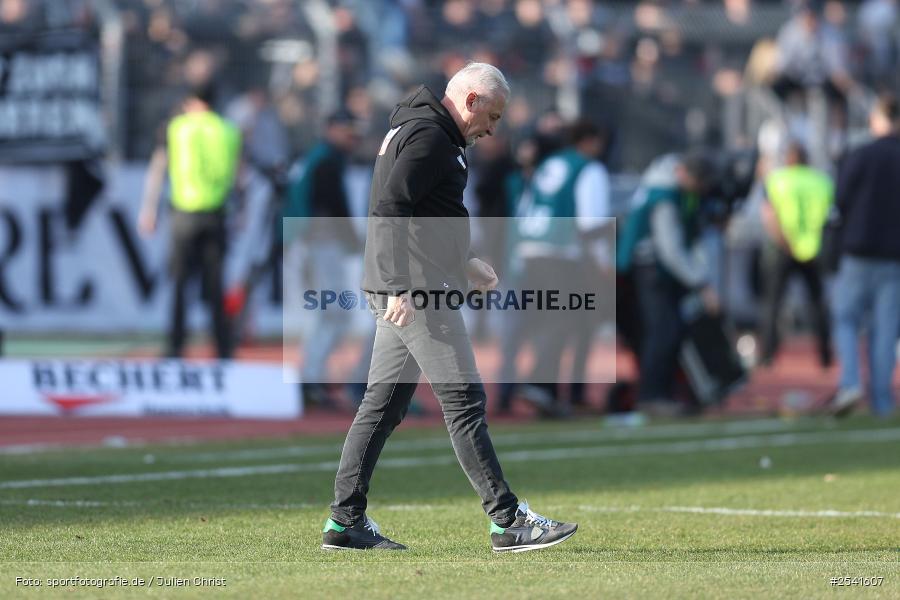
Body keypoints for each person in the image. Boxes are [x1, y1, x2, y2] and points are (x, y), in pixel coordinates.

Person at [322, 63, 577, 552]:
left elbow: (424, 213)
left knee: (382, 406)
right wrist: (399, 285)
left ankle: (344, 522)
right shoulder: (430, 137)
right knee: (463, 402)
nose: (493, 129)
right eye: (492, 116)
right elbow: (391, 208)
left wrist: (464, 262)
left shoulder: (423, 128)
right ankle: (507, 521)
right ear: (472, 100)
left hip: (414, 285)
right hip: (417, 293)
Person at [500, 119, 612, 415]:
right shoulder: (588, 168)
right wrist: (604, 263)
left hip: (529, 250)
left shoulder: (550, 163)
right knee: (565, 320)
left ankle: (546, 392)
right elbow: (592, 224)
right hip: (561, 253)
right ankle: (541, 385)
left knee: (549, 321)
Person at [139, 85, 241, 359]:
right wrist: (240, 212)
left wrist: (149, 209)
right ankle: (223, 349)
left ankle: (175, 346)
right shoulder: (228, 130)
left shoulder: (177, 128)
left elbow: (159, 168)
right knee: (216, 286)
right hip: (216, 214)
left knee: (181, 285)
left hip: (183, 214)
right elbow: (239, 176)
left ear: (192, 102)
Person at [615, 152, 719, 410]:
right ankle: (652, 395)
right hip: (649, 268)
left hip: (646, 267)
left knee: (665, 329)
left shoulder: (662, 184)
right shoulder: (666, 196)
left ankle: (661, 392)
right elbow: (670, 248)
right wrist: (701, 283)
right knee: (664, 330)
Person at [284, 112, 362, 408]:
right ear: (331, 129)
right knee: (335, 313)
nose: (352, 137)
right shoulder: (326, 161)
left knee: (326, 313)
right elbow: (332, 208)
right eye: (347, 130)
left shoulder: (317, 158)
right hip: (320, 244)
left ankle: (312, 377)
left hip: (310, 244)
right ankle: (310, 380)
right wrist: (353, 242)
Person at [828, 94, 900, 418]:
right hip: (894, 258)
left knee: (845, 319)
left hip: (858, 252)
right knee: (885, 329)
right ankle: (882, 400)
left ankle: (850, 383)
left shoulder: (861, 155)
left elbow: (839, 201)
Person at [758, 141, 833, 368]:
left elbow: (769, 214)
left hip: (783, 246)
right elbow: (829, 215)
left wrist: (783, 240)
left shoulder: (777, 179)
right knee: (818, 303)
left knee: (772, 303)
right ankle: (825, 355)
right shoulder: (822, 181)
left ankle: (768, 355)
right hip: (813, 247)